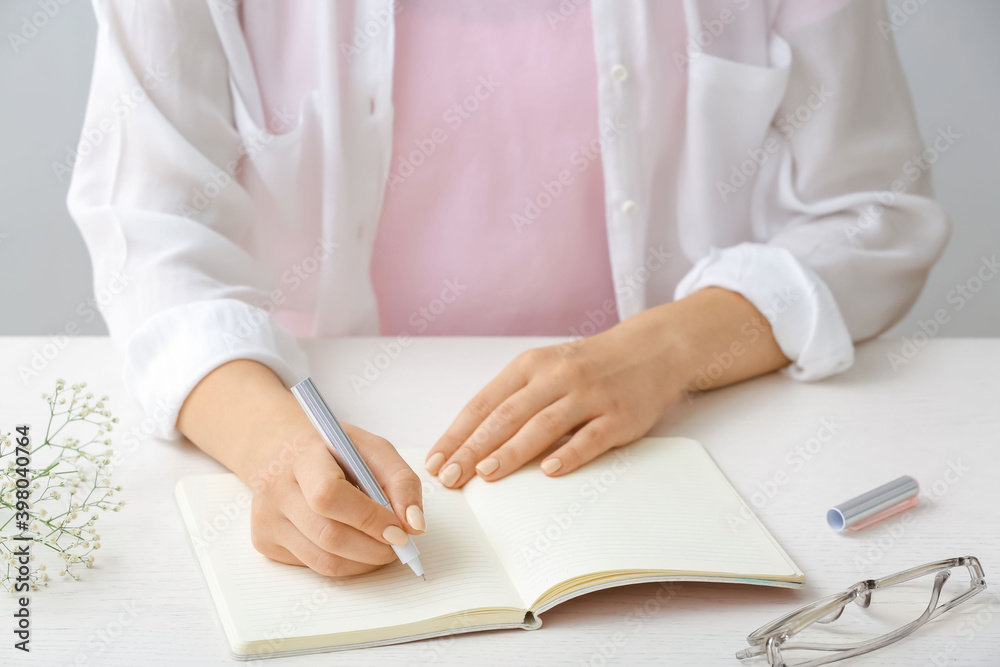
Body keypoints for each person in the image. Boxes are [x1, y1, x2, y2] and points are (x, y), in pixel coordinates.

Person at [68, 0, 949, 578]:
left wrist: (672, 348)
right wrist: (269, 443)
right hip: (333, 418)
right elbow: (149, 233)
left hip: (697, 446)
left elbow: (874, 209)